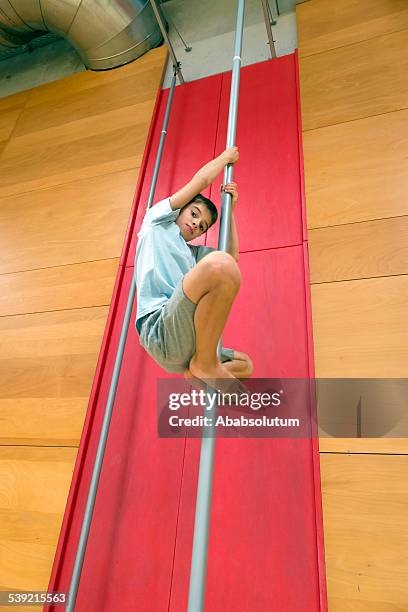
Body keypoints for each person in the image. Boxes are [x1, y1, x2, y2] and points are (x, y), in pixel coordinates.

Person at [135, 146, 253, 385]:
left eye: (202, 226)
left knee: (245, 364)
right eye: (194, 214)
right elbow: (200, 181)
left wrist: (231, 212)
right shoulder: (156, 221)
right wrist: (225, 158)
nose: (196, 224)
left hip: (183, 347)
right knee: (220, 265)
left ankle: (197, 368)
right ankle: (205, 365)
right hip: (159, 327)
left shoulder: (192, 254)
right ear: (182, 209)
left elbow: (232, 257)